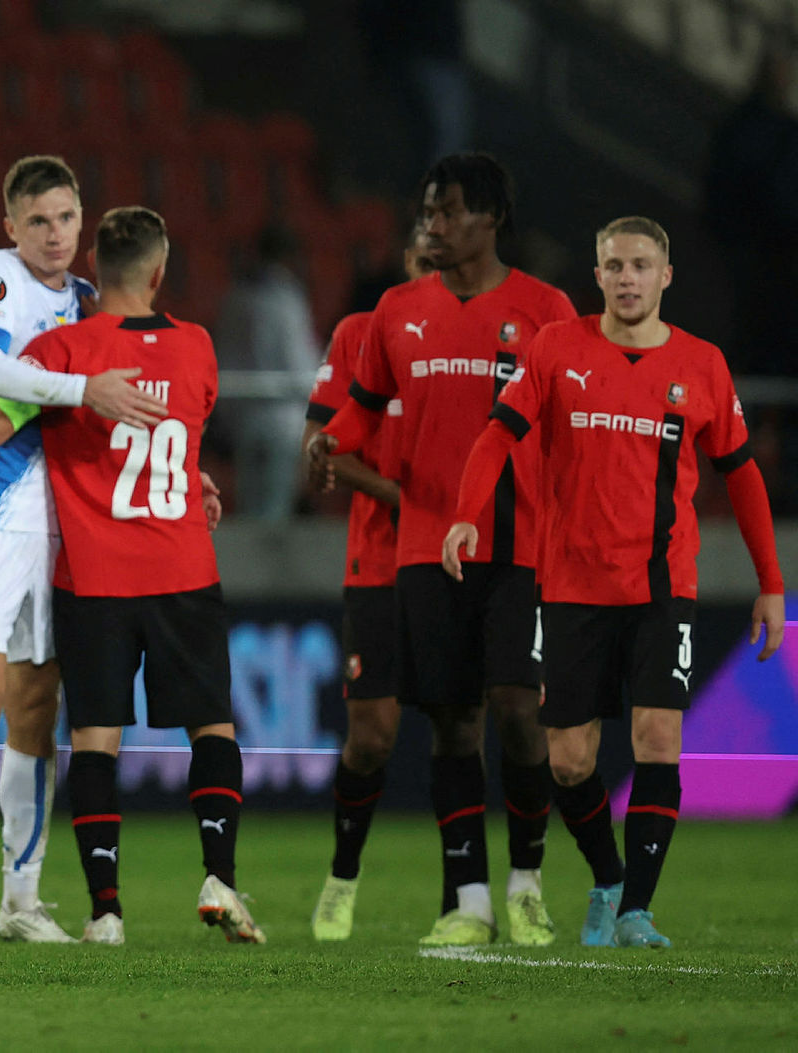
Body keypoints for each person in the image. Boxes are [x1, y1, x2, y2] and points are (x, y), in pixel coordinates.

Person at [443, 216, 785, 948]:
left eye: (640, 265)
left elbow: (743, 472)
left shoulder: (702, 365)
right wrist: (466, 514)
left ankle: (635, 909)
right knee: (569, 757)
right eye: (613, 265)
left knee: (659, 736)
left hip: (664, 586)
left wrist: (771, 582)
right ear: (596, 276)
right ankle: (606, 875)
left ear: (666, 277)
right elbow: (499, 432)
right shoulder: (556, 349)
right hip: (569, 585)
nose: (627, 277)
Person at [306, 154, 577, 947]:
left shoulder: (545, 310)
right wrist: (331, 443)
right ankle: (469, 899)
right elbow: (358, 411)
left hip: (520, 544)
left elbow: (575, 420)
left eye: (449, 209)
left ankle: (526, 881)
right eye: (427, 209)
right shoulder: (395, 311)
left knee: (521, 711)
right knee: (454, 724)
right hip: (425, 552)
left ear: (490, 216)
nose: (431, 221)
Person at [0, 155, 165, 944]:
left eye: (66, 218)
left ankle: (23, 898)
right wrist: (77, 388)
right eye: (38, 220)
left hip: (60, 520)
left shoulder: (90, 303)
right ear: (10, 227)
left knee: (37, 709)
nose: (55, 234)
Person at [18, 205, 261, 946]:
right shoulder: (197, 347)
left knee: (96, 737)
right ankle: (219, 874)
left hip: (94, 576)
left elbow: (5, 412)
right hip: (183, 565)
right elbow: (186, 433)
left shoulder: (59, 349)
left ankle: (106, 912)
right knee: (210, 724)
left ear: (94, 267)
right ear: (159, 271)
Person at [302, 222, 434, 940]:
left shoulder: (489, 341)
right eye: (417, 260)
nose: (426, 273)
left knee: (471, 725)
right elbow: (317, 451)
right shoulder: (362, 333)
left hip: (467, 562)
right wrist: (410, 500)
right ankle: (342, 877)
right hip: (381, 561)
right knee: (373, 735)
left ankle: (469, 895)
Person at [212, 226, 323, 521]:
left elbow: (225, 357)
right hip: (283, 417)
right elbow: (298, 360)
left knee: (250, 507)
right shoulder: (287, 297)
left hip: (245, 414)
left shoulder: (236, 297)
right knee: (274, 511)